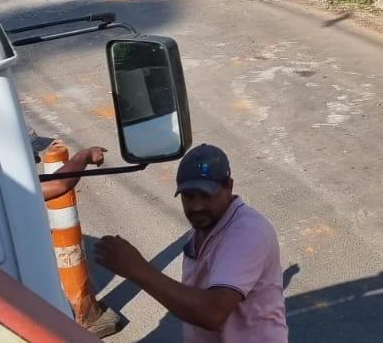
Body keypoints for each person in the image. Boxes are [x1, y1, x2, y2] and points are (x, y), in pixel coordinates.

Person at [95, 144, 287, 342]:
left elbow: (212, 313)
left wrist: (137, 269)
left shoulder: (248, 233)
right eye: (188, 196)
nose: (196, 206)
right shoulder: (204, 226)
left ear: (229, 186)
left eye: (206, 195)